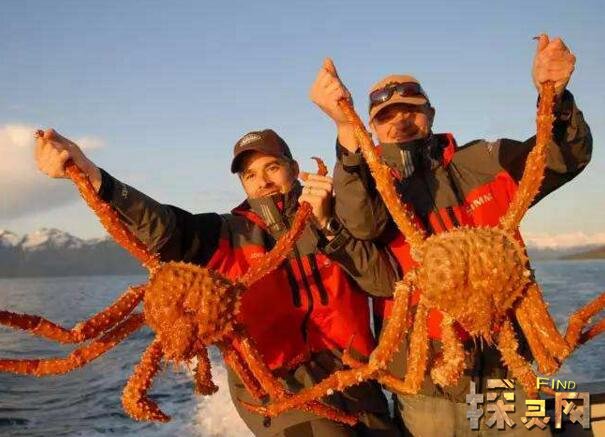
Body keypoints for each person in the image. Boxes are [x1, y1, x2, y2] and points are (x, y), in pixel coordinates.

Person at [309, 34, 592, 436]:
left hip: (505, 368)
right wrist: (345, 126)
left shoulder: (482, 160)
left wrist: (554, 97)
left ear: (431, 113)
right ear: (372, 128)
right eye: (386, 116)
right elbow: (360, 224)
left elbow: (561, 157)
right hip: (429, 378)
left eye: (411, 109)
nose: (400, 121)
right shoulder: (367, 186)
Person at [35, 127, 401, 436]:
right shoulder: (226, 234)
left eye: (272, 168)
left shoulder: (334, 216)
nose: (263, 182)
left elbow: (384, 279)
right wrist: (92, 176)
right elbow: (164, 227)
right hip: (280, 390)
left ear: (293, 168)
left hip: (359, 380)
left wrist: (328, 223)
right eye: (250, 175)